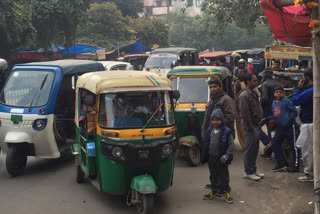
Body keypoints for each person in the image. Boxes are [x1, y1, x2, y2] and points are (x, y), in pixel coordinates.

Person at [201, 108, 234, 204]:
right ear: (211, 120)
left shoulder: (226, 132)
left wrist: (226, 156)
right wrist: (204, 156)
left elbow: (231, 145)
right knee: (213, 175)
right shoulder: (209, 130)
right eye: (213, 120)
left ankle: (226, 192)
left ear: (222, 120)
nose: (215, 122)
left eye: (218, 119)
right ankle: (214, 191)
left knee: (223, 175)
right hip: (212, 158)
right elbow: (206, 143)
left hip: (222, 159)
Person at [237, 73, 264, 181]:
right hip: (250, 126)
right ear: (248, 81)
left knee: (255, 149)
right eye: (254, 80)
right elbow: (244, 114)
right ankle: (248, 171)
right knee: (250, 149)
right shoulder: (244, 96)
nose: (256, 81)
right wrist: (251, 127)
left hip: (256, 125)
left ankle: (253, 169)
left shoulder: (253, 92)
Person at [292, 68, 314, 182]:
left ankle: (309, 174)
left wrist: (298, 88)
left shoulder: (310, 91)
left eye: (303, 77)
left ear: (308, 78)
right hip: (312, 122)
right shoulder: (312, 89)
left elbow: (295, 100)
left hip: (309, 124)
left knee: (307, 150)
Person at [271, 86, 299, 172]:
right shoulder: (274, 102)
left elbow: (294, 111)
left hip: (289, 127)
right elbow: (276, 114)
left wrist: (288, 121)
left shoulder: (286, 101)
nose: (278, 94)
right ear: (274, 94)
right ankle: (281, 163)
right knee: (275, 143)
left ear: (283, 93)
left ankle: (295, 166)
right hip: (280, 128)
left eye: (280, 92)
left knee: (293, 146)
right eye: (277, 92)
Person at [260, 69, 281, 159]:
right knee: (272, 131)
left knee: (255, 127)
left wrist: (260, 107)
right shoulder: (278, 84)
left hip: (267, 111)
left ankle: (268, 143)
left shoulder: (265, 84)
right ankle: (269, 153)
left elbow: (264, 98)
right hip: (276, 110)